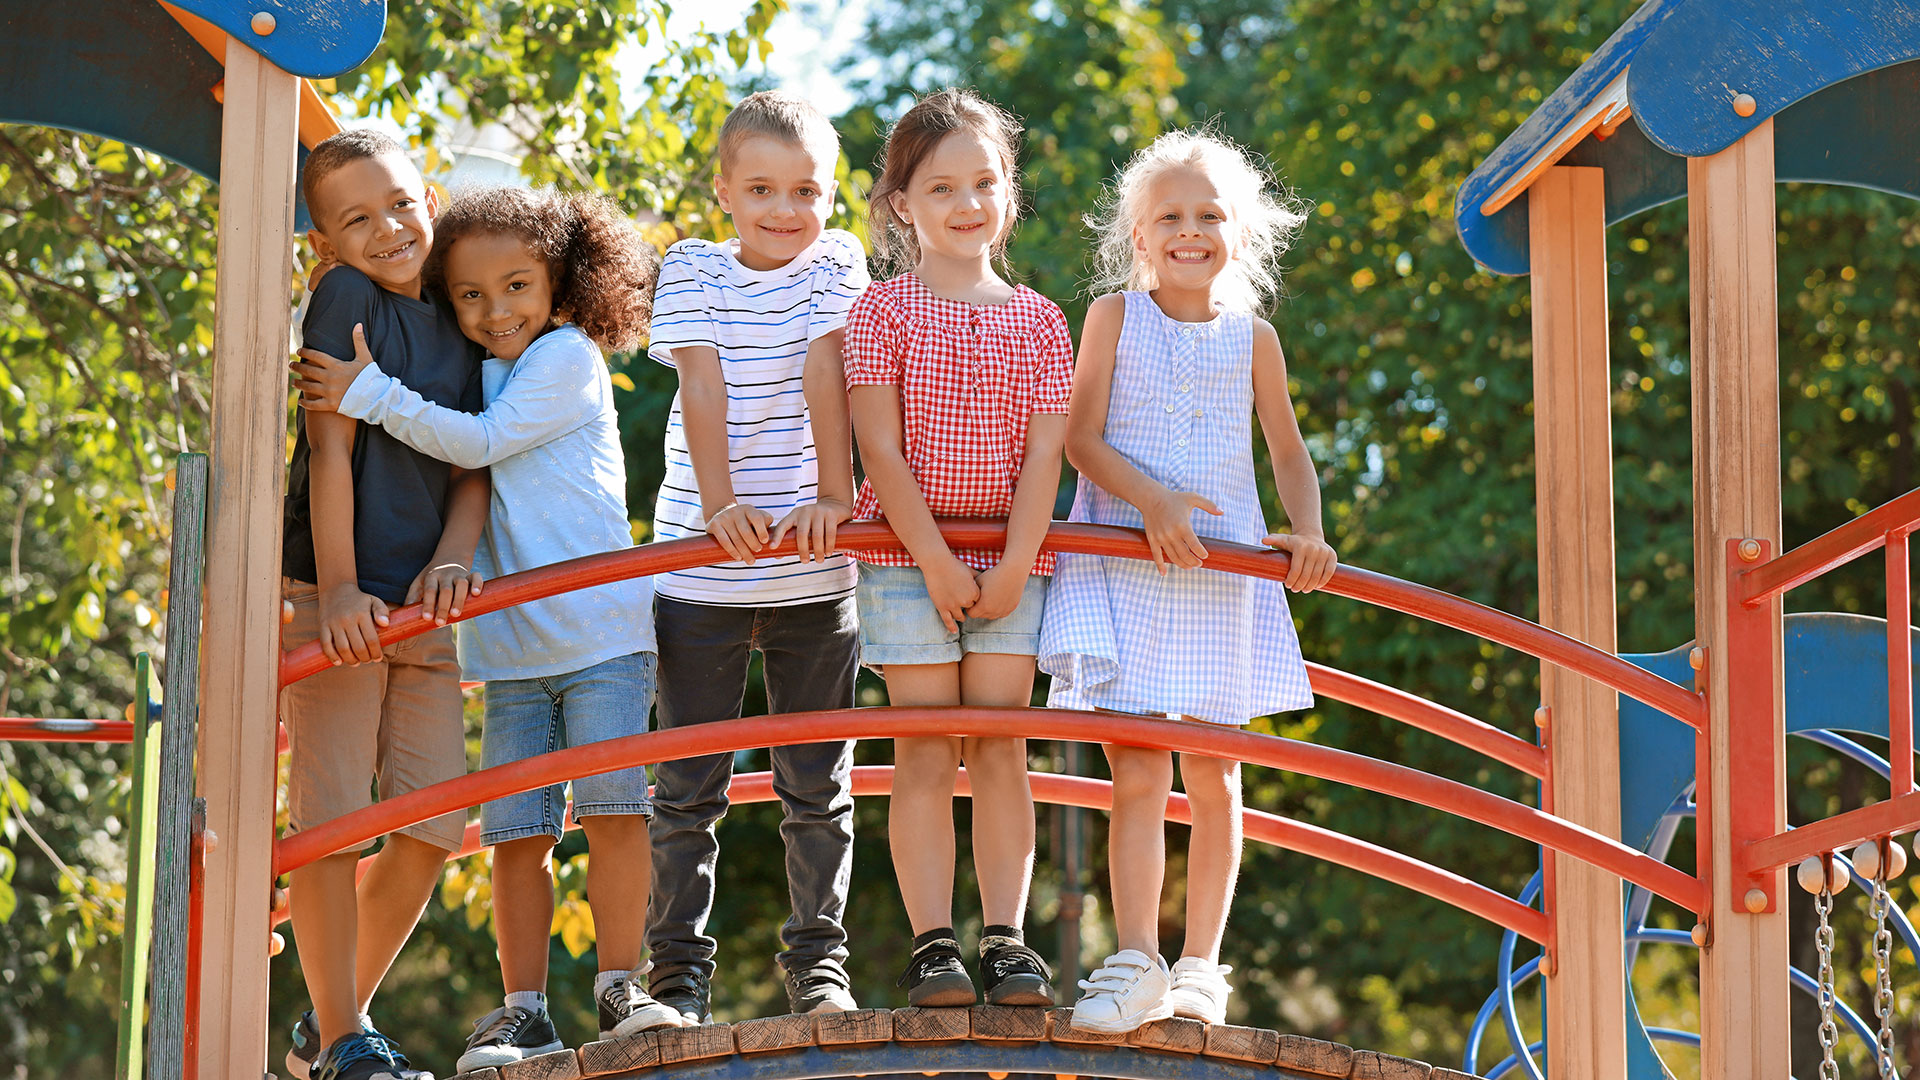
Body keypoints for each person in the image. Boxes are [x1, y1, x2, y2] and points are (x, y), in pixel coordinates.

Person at [291, 186, 677, 1068]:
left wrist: (365, 392)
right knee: (516, 830)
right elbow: (464, 473)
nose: (494, 310)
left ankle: (623, 981)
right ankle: (523, 1007)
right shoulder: (476, 366)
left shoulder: (567, 357)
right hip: (509, 646)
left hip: (599, 635)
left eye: (515, 287)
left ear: (561, 281)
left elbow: (478, 445)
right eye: (469, 295)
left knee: (614, 808)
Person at [1038, 129, 1338, 1033]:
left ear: (1237, 236)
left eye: (1209, 215)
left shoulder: (1255, 338)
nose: (1189, 230)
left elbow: (1286, 450)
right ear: (1138, 236)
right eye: (1169, 215)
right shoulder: (1112, 318)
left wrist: (1311, 532)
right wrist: (1153, 499)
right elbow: (1080, 439)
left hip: (1217, 571)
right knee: (1136, 769)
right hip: (1126, 559)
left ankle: (1202, 966)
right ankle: (1135, 959)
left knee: (1215, 775)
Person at [642, 90, 869, 1022]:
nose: (788, 211)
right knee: (687, 787)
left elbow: (828, 368)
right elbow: (702, 380)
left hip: (815, 573)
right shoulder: (693, 268)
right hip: (702, 566)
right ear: (725, 191)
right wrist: (723, 501)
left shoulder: (839, 260)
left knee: (818, 786)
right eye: (765, 189)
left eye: (808, 190)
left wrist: (832, 493)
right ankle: (675, 977)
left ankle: (820, 964)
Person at [844, 88, 1067, 1008]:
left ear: (1008, 192)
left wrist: (1014, 565)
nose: (966, 203)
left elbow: (1048, 452)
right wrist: (935, 559)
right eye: (941, 188)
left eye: (985, 182)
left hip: (1017, 560)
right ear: (902, 205)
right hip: (906, 559)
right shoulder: (883, 312)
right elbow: (881, 449)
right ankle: (935, 943)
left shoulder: (1042, 318)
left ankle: (1008, 940)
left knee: (1004, 746)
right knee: (929, 747)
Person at [278, 128, 488, 1080]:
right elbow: (329, 452)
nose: (389, 228)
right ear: (326, 244)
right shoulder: (347, 297)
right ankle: (342, 1038)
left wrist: (453, 558)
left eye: (401, 203)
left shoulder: (465, 302)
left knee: (436, 820)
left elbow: (479, 455)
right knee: (332, 817)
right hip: (340, 588)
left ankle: (331, 1025)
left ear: (429, 194)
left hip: (426, 600)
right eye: (356, 220)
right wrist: (338, 591)